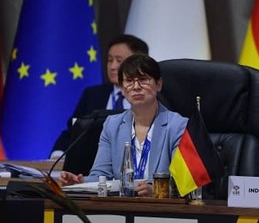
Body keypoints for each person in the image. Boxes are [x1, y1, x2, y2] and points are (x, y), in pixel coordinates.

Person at [58, 54, 187, 197]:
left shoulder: (178, 126)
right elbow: (101, 175)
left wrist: (156, 191)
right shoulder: (112, 125)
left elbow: (184, 182)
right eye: (129, 81)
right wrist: (79, 182)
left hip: (161, 207)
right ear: (122, 88)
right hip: (120, 205)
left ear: (159, 84)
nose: (136, 87)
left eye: (143, 79)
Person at [50, 34, 149, 157]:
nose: (112, 66)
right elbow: (72, 132)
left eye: (119, 60)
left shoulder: (151, 97)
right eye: (110, 60)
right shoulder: (92, 95)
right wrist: (57, 154)